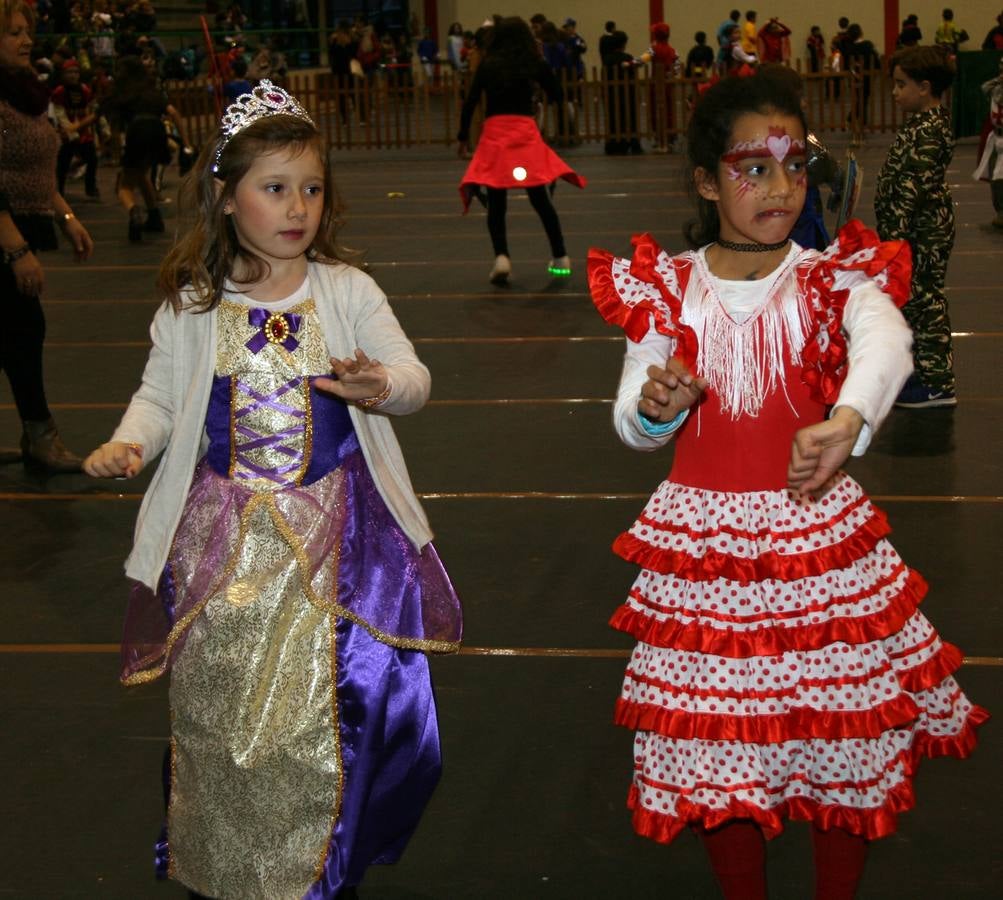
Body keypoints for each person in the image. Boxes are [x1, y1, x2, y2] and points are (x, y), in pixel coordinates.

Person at [586, 69, 986, 900]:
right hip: (706, 564)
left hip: (817, 556)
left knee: (840, 741)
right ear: (705, 180)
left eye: (794, 164)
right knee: (720, 750)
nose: (780, 185)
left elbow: (887, 346)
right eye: (752, 167)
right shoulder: (667, 289)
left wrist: (846, 422)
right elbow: (630, 411)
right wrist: (655, 409)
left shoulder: (835, 277)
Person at [82, 80, 463, 899]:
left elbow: (414, 376)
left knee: (327, 719)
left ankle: (325, 865)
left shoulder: (347, 291)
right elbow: (158, 397)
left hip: (335, 548)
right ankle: (224, 864)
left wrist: (381, 386)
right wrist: (128, 443)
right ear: (226, 200)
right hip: (222, 556)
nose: (298, 207)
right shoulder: (193, 304)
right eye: (275, 187)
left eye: (312, 188)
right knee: (221, 722)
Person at [0, 0, 94, 472]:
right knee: (23, 329)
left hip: (25, 225)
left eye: (25, 31)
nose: (25, 39)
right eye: (12, 32)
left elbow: (35, 169)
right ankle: (41, 438)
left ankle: (39, 436)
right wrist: (14, 248)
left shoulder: (24, 92)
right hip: (5, 234)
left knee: (17, 333)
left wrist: (66, 215)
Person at [457, 17, 585, 284]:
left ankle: (501, 258)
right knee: (540, 198)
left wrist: (462, 137)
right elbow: (558, 93)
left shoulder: (488, 64)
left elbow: (470, 101)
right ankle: (560, 256)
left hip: (495, 135)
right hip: (524, 132)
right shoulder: (533, 63)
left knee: (496, 200)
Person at [875, 46, 958, 408]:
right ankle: (922, 374)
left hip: (922, 232)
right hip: (912, 231)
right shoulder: (918, 124)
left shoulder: (931, 129)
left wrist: (895, 236)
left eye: (900, 85)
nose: (894, 92)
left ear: (924, 88)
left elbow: (913, 186)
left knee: (926, 300)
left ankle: (938, 382)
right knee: (915, 301)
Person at [101, 54, 188, 241]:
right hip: (157, 131)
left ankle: (133, 211)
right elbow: (173, 112)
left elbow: (113, 125)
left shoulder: (122, 93)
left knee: (125, 185)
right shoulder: (151, 92)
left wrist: (115, 149)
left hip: (137, 131)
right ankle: (154, 215)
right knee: (141, 173)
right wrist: (187, 144)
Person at [51, 57, 100, 199]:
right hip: (66, 133)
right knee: (62, 164)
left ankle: (90, 188)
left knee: (92, 159)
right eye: (69, 72)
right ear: (63, 74)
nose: (73, 75)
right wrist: (69, 130)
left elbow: (89, 109)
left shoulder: (84, 90)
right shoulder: (60, 92)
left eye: (76, 72)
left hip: (83, 132)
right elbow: (59, 114)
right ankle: (59, 192)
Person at [973, 56, 1003, 229]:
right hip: (997, 139)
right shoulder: (995, 88)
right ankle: (1000, 211)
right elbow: (985, 88)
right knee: (996, 178)